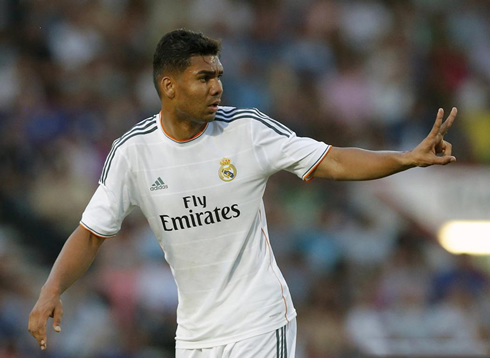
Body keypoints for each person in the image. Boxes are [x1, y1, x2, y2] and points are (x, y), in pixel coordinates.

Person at [28, 29, 457, 357]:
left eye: (218, 76)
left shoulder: (247, 130)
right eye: (203, 77)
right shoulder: (132, 153)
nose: (217, 87)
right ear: (168, 86)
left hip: (259, 322)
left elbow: (335, 160)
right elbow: (90, 234)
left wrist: (405, 158)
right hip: (195, 336)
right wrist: (52, 289)